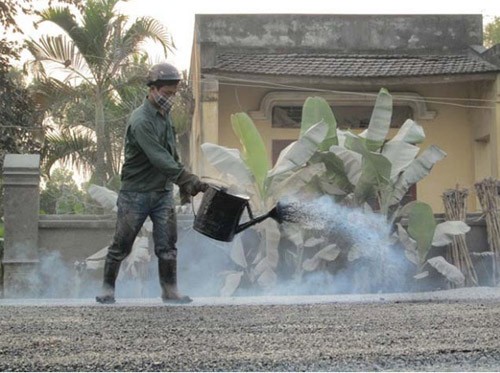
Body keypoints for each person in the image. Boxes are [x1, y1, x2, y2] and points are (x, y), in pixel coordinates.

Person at [95, 62, 208, 304]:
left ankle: (169, 290)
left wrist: (183, 188)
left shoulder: (164, 117)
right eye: (167, 94)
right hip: (135, 193)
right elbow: (158, 157)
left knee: (167, 245)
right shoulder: (141, 120)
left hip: (162, 193)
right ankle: (107, 288)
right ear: (153, 89)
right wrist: (188, 178)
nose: (171, 99)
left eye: (173, 94)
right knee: (121, 244)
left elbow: (171, 153)